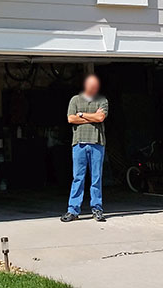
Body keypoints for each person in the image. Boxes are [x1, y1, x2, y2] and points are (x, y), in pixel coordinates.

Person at [61, 74, 108, 223]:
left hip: (97, 142)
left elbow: (100, 118)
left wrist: (81, 114)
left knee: (96, 178)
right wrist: (91, 116)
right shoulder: (75, 100)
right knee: (78, 177)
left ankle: (97, 209)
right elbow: (70, 118)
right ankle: (73, 210)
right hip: (79, 143)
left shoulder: (102, 100)